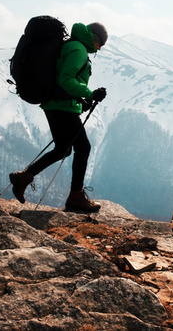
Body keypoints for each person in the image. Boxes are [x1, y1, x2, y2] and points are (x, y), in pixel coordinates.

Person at [10, 21, 108, 212]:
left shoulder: (71, 45)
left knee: (63, 148)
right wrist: (89, 94)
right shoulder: (78, 49)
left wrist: (80, 100)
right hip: (61, 107)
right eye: (100, 44)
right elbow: (65, 79)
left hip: (54, 104)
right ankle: (76, 197)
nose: (100, 48)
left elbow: (61, 80)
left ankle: (23, 177)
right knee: (83, 148)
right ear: (95, 38)